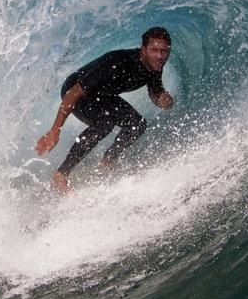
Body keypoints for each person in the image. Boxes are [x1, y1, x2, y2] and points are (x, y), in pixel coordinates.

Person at [35, 26, 174, 194]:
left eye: (164, 51)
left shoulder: (155, 66)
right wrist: (55, 130)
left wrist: (162, 100)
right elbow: (74, 93)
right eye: (154, 50)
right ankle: (60, 174)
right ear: (143, 49)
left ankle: (108, 161)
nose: (159, 56)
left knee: (137, 124)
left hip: (102, 95)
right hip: (76, 91)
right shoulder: (118, 63)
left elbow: (155, 91)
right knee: (105, 123)